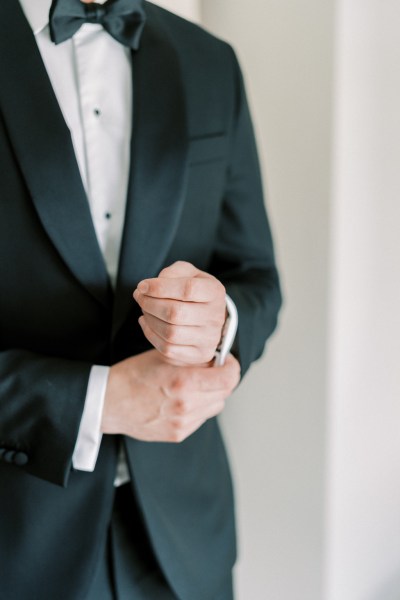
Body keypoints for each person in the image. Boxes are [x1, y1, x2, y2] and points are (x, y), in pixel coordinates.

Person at [0, 0, 281, 598]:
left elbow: (256, 276)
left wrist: (219, 328)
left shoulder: (210, 62)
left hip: (183, 546)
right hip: (15, 542)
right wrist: (96, 404)